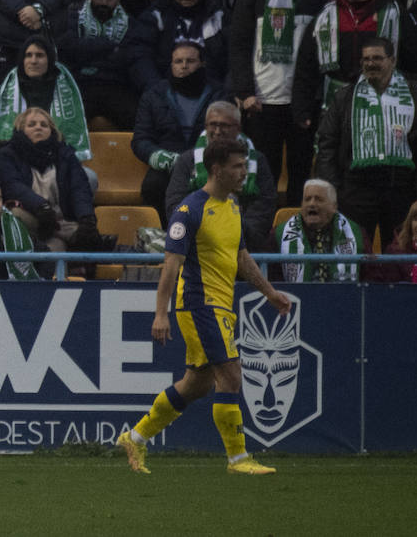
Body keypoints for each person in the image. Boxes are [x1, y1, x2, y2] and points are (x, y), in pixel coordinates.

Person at [117, 137, 291, 477]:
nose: (244, 172)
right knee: (231, 375)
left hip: (222, 304)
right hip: (199, 303)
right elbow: (171, 264)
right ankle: (239, 460)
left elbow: (241, 257)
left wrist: (270, 293)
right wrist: (160, 313)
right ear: (217, 169)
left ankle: (134, 437)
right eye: (237, 166)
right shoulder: (190, 210)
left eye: (245, 165)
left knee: (196, 384)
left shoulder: (233, 207)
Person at [315, 36, 417, 254]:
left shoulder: (415, 94)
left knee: (399, 250)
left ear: (392, 61)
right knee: (353, 247)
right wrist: (334, 187)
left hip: (401, 185)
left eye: (377, 58)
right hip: (356, 187)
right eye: (366, 59)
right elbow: (327, 142)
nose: (370, 63)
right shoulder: (345, 96)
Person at [229, 0, 325, 203]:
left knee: (300, 172)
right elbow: (239, 46)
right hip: (262, 99)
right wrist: (245, 92)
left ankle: (297, 228)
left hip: (300, 101)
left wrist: (309, 98)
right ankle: (263, 233)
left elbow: (319, 51)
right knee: (262, 173)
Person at [293, 0, 417, 139]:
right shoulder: (326, 17)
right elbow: (306, 66)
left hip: (386, 104)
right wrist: (301, 109)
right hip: (337, 105)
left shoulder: (396, 14)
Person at [164, 101, 279, 253]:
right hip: (197, 239)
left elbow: (264, 205)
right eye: (213, 125)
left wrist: (235, 226)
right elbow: (175, 203)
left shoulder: (258, 161)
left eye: (224, 125)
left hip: (244, 239)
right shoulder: (187, 160)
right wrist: (207, 227)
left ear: (238, 128)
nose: (217, 131)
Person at [133, 43, 227, 216]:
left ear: (202, 64)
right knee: (152, 186)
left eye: (190, 61)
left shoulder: (219, 94)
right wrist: (159, 156)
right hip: (167, 163)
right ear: (171, 65)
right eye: (178, 61)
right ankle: (161, 234)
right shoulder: (153, 95)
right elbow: (140, 138)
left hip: (208, 161)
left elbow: (229, 134)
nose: (184, 66)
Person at [0, 107, 100, 254]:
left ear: (52, 130)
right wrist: (41, 207)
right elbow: (12, 185)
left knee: (60, 252)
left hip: (59, 220)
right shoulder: (6, 154)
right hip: (30, 218)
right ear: (20, 129)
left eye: (44, 125)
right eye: (31, 124)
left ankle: (65, 237)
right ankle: (70, 237)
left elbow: (79, 188)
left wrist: (86, 218)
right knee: (16, 215)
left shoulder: (66, 154)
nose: (38, 127)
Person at [56, 0, 137, 130]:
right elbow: (68, 49)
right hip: (79, 85)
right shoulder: (71, 16)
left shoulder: (131, 23)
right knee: (63, 124)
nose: (104, 1)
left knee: (139, 120)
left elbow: (127, 59)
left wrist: (86, 50)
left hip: (115, 86)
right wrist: (108, 46)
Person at [125, 0, 226, 92]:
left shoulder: (219, 15)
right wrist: (156, 88)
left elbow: (234, 57)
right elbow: (139, 53)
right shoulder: (156, 14)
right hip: (165, 89)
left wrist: (223, 91)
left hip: (210, 91)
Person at [0, 36, 91, 160]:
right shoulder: (6, 86)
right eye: (28, 55)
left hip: (55, 154)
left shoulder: (66, 84)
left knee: (90, 177)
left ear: (50, 59)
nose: (33, 61)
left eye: (40, 55)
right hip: (17, 155)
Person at [277, 179, 363, 283]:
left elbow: (370, 277)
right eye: (307, 199)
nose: (311, 204)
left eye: (319, 199)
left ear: (334, 206)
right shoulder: (280, 234)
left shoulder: (355, 233)